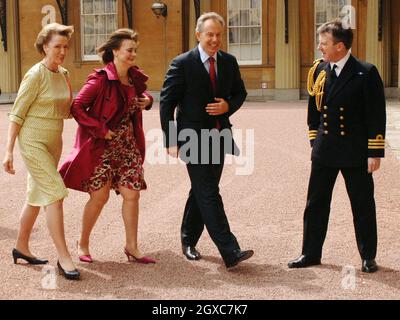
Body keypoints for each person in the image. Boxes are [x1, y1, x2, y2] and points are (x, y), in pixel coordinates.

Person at [288, 19, 386, 273]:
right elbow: (314, 112)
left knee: (362, 205)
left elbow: (376, 115)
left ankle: (368, 256)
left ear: (340, 46)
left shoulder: (366, 71)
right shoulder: (319, 71)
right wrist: (314, 141)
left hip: (355, 152)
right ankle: (310, 253)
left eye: (324, 43)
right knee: (315, 204)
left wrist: (374, 152)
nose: (320, 48)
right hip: (325, 150)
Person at [160, 12, 253, 269]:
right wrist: (170, 139)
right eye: (210, 34)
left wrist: (227, 106)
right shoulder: (181, 63)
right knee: (209, 192)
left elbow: (240, 92)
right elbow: (166, 103)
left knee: (201, 190)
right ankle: (230, 250)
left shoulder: (229, 62)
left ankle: (188, 239)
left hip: (219, 135)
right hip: (192, 138)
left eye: (218, 35)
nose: (214, 39)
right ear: (198, 34)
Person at [59, 29, 155, 264]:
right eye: (129, 50)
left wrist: (148, 101)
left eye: (135, 50)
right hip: (102, 147)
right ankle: (83, 242)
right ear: (115, 51)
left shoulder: (134, 78)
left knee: (132, 195)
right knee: (99, 197)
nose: (133, 54)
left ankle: (132, 247)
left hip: (128, 147)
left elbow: (142, 97)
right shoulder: (100, 79)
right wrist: (100, 129)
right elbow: (77, 107)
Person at [2, 23, 80, 280]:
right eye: (57, 46)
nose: (62, 51)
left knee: (36, 195)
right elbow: (17, 112)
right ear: (45, 46)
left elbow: (69, 109)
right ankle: (64, 257)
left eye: (65, 46)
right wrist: (9, 151)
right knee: (55, 193)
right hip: (32, 139)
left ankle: (21, 247)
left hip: (53, 141)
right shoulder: (35, 74)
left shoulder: (64, 73)